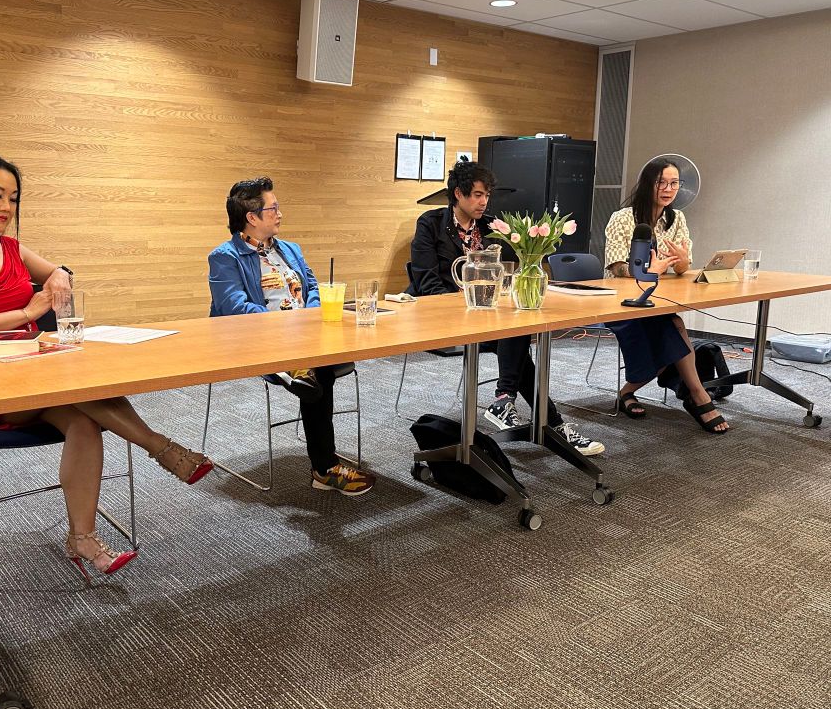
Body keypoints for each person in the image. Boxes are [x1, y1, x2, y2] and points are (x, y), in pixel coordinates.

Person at [0, 153, 215, 579]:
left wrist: (60, 273)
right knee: (80, 391)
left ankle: (82, 537)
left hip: (34, 373)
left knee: (83, 419)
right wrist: (26, 312)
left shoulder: (12, 248)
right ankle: (160, 448)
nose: (6, 207)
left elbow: (59, 273)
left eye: (13, 199)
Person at [409, 160, 605, 456]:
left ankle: (510, 402)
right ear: (458, 195)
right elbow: (427, 283)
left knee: (516, 325)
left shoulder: (491, 226)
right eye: (476, 194)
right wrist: (469, 303)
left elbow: (509, 273)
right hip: (443, 316)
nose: (483, 201)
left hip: (488, 316)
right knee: (515, 336)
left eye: (486, 195)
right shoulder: (431, 223)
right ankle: (545, 419)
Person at [207, 176, 376, 496]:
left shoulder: (290, 249)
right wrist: (285, 326)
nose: (280, 213)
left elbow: (312, 287)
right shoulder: (224, 257)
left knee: (319, 365)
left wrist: (308, 317)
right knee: (322, 370)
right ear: (252, 218)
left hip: (306, 335)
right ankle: (325, 468)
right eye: (273, 208)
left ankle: (299, 371)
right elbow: (234, 308)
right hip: (258, 339)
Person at [603, 159, 729, 433]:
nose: (669, 189)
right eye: (662, 182)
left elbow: (682, 267)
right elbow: (617, 268)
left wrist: (683, 260)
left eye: (674, 183)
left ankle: (628, 392)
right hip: (622, 303)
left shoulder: (677, 219)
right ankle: (699, 396)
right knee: (673, 326)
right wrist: (647, 270)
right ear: (649, 183)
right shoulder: (622, 218)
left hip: (656, 300)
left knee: (671, 325)